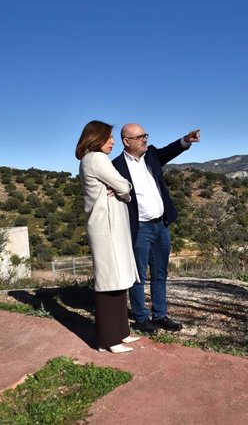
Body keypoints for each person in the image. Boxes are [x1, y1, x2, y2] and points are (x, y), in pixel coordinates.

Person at [112, 123, 200, 334]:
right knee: (138, 276)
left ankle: (160, 315)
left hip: (161, 225)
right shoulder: (116, 166)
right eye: (140, 137)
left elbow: (169, 151)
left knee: (160, 273)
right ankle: (141, 318)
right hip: (139, 229)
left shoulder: (151, 155)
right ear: (127, 142)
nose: (145, 139)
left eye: (145, 135)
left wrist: (186, 140)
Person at [75, 120, 142, 353]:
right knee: (109, 280)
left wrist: (123, 189)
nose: (113, 141)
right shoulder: (96, 159)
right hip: (107, 227)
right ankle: (108, 339)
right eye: (110, 137)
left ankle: (120, 332)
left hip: (109, 226)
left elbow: (122, 188)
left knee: (117, 278)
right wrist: (124, 189)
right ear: (97, 138)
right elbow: (123, 186)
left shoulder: (91, 160)